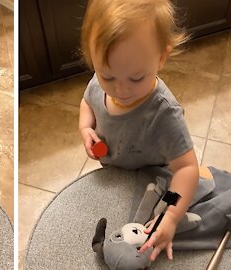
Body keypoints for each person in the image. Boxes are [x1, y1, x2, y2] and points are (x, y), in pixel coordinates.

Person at [78, 0, 199, 262]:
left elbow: (187, 169)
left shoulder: (164, 114)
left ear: (162, 57)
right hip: (116, 176)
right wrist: (85, 126)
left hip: (156, 183)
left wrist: (171, 216)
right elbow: (87, 101)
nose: (121, 90)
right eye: (107, 76)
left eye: (136, 78)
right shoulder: (100, 83)